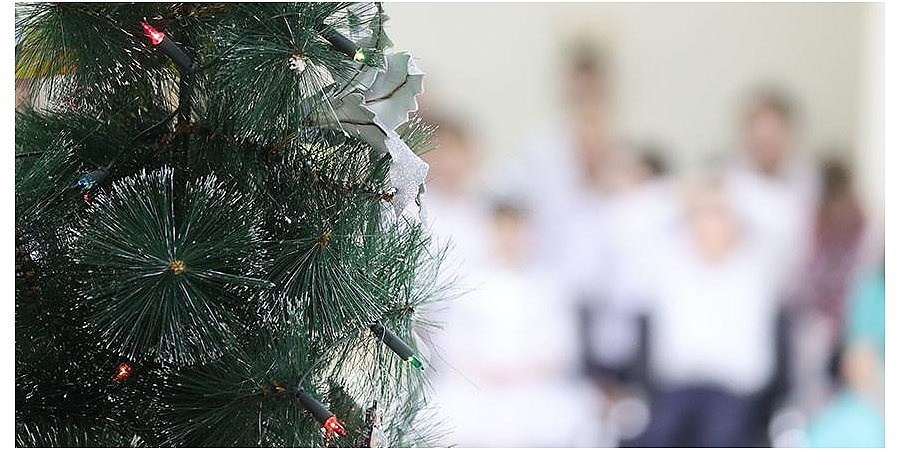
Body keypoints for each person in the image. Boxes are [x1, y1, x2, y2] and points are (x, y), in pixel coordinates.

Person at [633, 174, 783, 447]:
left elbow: (779, 222)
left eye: (719, 216)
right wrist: (686, 197)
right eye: (703, 215)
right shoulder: (670, 267)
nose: (710, 225)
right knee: (654, 438)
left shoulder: (754, 272)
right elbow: (634, 225)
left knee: (719, 438)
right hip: (676, 391)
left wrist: (729, 195)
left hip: (733, 393)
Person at [431, 200, 598, 447]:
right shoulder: (466, 281)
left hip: (533, 387)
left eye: (516, 230)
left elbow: (561, 346)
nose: (510, 239)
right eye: (503, 229)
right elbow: (451, 342)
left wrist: (521, 371)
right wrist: (484, 370)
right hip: (475, 385)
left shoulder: (547, 285)